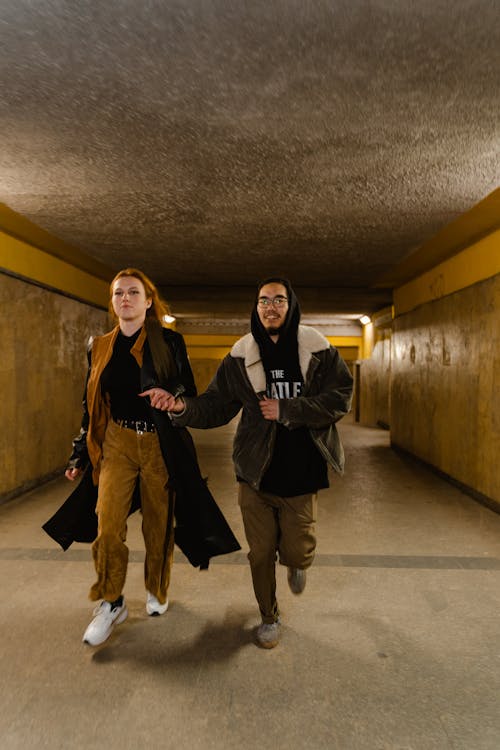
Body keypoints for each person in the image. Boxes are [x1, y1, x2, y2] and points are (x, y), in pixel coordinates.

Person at [43, 268, 239, 646]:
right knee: (107, 522)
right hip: (116, 441)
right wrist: (80, 452)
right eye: (119, 293)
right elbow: (91, 402)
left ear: (149, 302)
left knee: (158, 524)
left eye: (134, 292)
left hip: (159, 442)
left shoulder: (169, 341)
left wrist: (171, 396)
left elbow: (188, 387)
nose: (126, 299)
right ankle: (111, 601)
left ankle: (157, 587)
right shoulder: (98, 345)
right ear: (113, 301)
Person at [161, 277, 353, 649]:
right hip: (255, 473)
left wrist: (288, 409)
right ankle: (269, 616)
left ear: (291, 305)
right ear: (256, 307)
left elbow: (340, 398)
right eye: (263, 300)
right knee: (260, 553)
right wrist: (182, 408)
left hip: (303, 473)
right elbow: (216, 404)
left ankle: (297, 562)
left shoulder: (318, 350)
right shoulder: (240, 356)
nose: (271, 307)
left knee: (297, 549)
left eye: (278, 300)